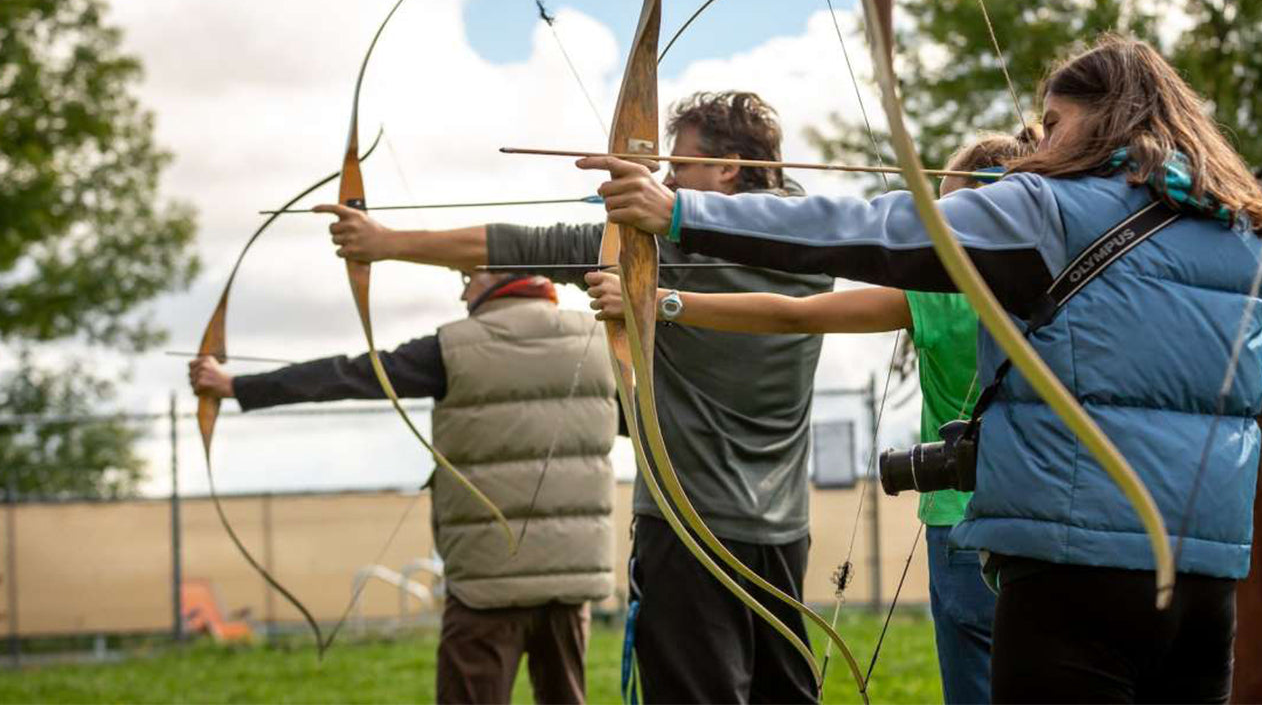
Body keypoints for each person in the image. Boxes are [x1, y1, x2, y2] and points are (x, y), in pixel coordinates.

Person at [581, 35, 1262, 703]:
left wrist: (679, 211)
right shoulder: (1241, 232)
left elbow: (874, 229)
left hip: (1073, 572)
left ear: (1104, 121)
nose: (1040, 144)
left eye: (1055, 122)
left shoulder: (1050, 209)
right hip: (1204, 583)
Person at [320, 91, 835, 703]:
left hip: (687, 529)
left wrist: (387, 242)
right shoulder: (815, 242)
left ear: (728, 167)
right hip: (783, 531)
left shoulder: (665, 250)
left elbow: (523, 246)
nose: (668, 180)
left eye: (681, 166)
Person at [587, 130, 1037, 704]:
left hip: (961, 521)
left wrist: (664, 302)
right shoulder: (1075, 280)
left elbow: (794, 315)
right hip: (1054, 518)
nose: (943, 234)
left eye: (953, 211)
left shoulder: (940, 289)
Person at [189, 271, 616, 705]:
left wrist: (234, 385)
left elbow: (348, 375)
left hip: (486, 584)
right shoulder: (598, 342)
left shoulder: (453, 347)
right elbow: (645, 426)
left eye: (468, 276)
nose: (463, 290)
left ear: (495, 276)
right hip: (571, 583)